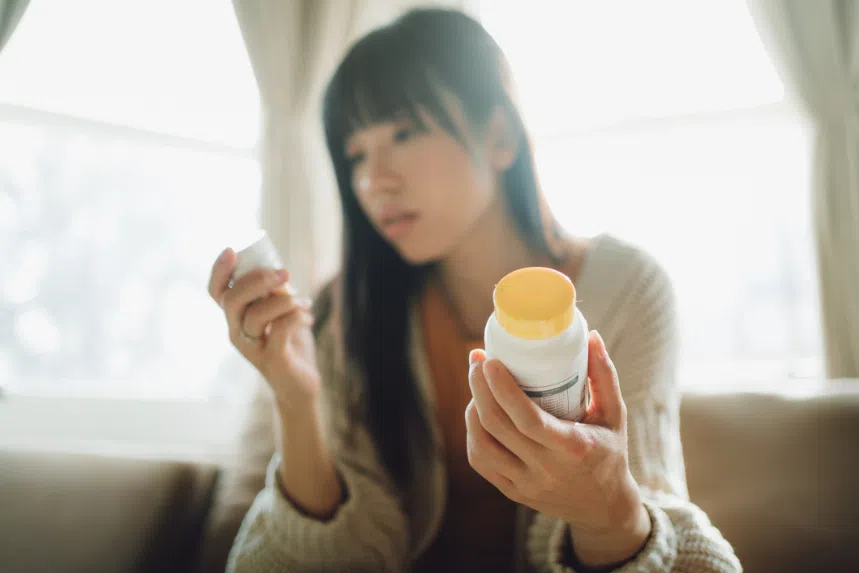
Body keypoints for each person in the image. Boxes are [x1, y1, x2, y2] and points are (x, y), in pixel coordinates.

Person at [206, 8, 740, 573]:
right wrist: (295, 401)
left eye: (404, 133)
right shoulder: (349, 308)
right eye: (355, 154)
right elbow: (330, 558)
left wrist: (604, 504)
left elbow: (661, 528)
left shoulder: (625, 289)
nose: (373, 180)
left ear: (500, 138)